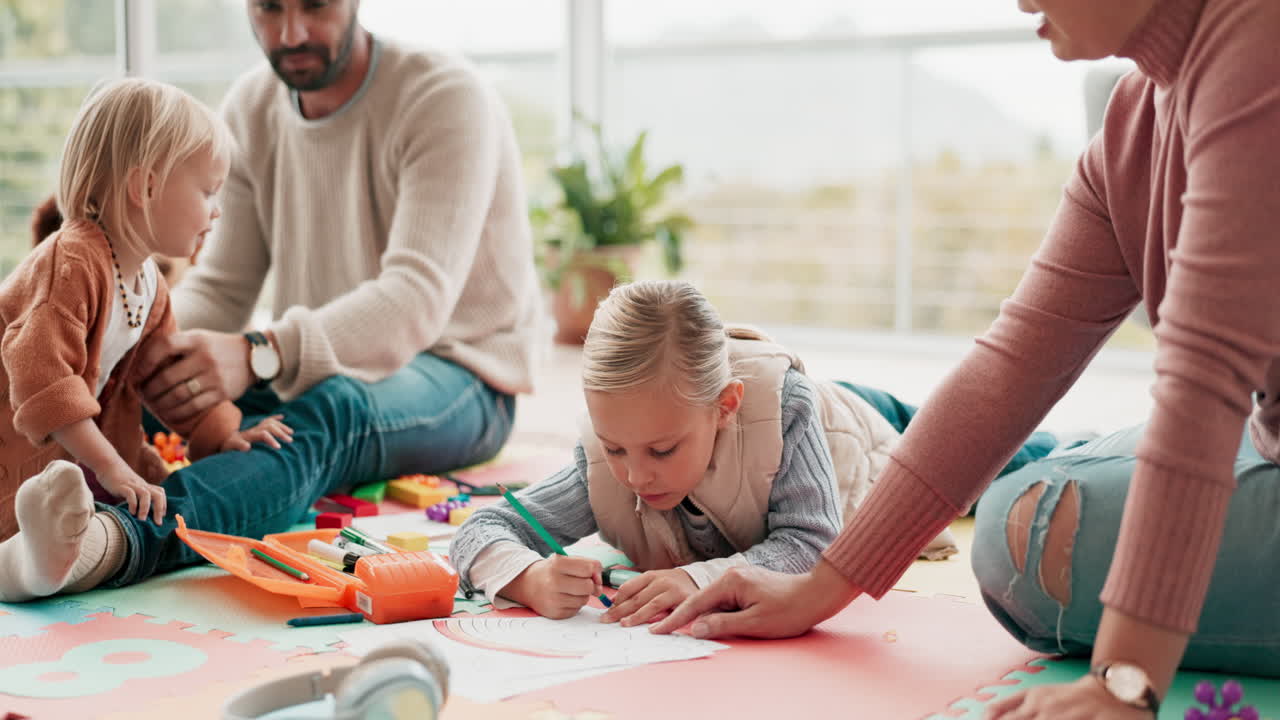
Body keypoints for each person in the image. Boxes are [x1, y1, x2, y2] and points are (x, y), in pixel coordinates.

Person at [653, 0, 1280, 716]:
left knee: (1030, 529)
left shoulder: (1260, 44)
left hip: (1239, 432)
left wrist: (1123, 685)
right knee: (1034, 500)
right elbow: (1010, 365)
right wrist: (821, 585)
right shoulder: (1135, 122)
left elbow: (1200, 387)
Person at [10, 0, 541, 598]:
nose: (290, 32)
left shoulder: (444, 97)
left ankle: (106, 543)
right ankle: (26, 516)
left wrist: (259, 352)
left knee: (324, 412)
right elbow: (222, 284)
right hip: (302, 360)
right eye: (268, 8)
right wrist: (151, 357)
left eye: (314, 6)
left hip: (462, 372)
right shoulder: (250, 107)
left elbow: (413, 300)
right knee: (128, 389)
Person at [451, 280, 1054, 624]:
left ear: (725, 407)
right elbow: (485, 525)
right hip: (809, 406)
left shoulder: (779, 411)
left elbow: (813, 545)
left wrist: (698, 578)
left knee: (1020, 463)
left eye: (662, 449)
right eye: (615, 447)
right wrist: (526, 577)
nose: (635, 474)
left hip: (859, 431)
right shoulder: (610, 458)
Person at [0, 78, 292, 602]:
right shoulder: (73, 262)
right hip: (11, 434)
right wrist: (111, 466)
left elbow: (162, 374)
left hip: (58, 451)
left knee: (99, 496)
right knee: (18, 513)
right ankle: (23, 566)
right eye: (207, 191)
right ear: (146, 187)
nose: (216, 210)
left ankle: (48, 557)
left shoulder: (148, 282)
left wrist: (224, 430)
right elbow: (42, 375)